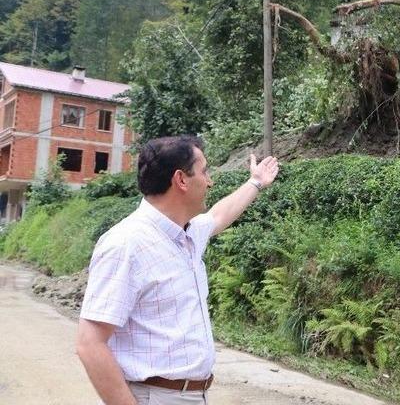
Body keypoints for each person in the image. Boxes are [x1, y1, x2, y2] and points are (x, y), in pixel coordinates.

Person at [75, 135, 279, 405]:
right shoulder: (126, 244)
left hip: (192, 396)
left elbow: (220, 215)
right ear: (181, 180)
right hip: (154, 397)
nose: (210, 181)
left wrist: (255, 182)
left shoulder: (188, 233)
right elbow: (90, 343)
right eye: (204, 172)